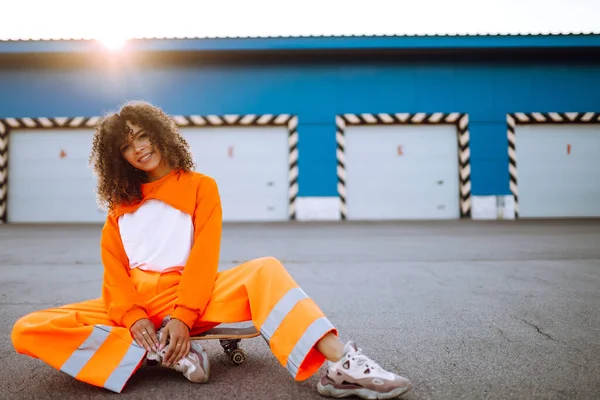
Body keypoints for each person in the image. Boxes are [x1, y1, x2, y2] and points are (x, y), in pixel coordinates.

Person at [10, 101, 412, 399]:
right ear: (120, 159)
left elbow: (204, 255)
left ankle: (341, 365)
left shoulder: (201, 186)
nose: (139, 148)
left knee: (265, 269)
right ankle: (159, 354)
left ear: (160, 134)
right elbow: (113, 268)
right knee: (27, 328)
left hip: (190, 296)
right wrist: (132, 317)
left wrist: (183, 317)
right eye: (126, 146)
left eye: (143, 135)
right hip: (134, 306)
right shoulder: (121, 203)